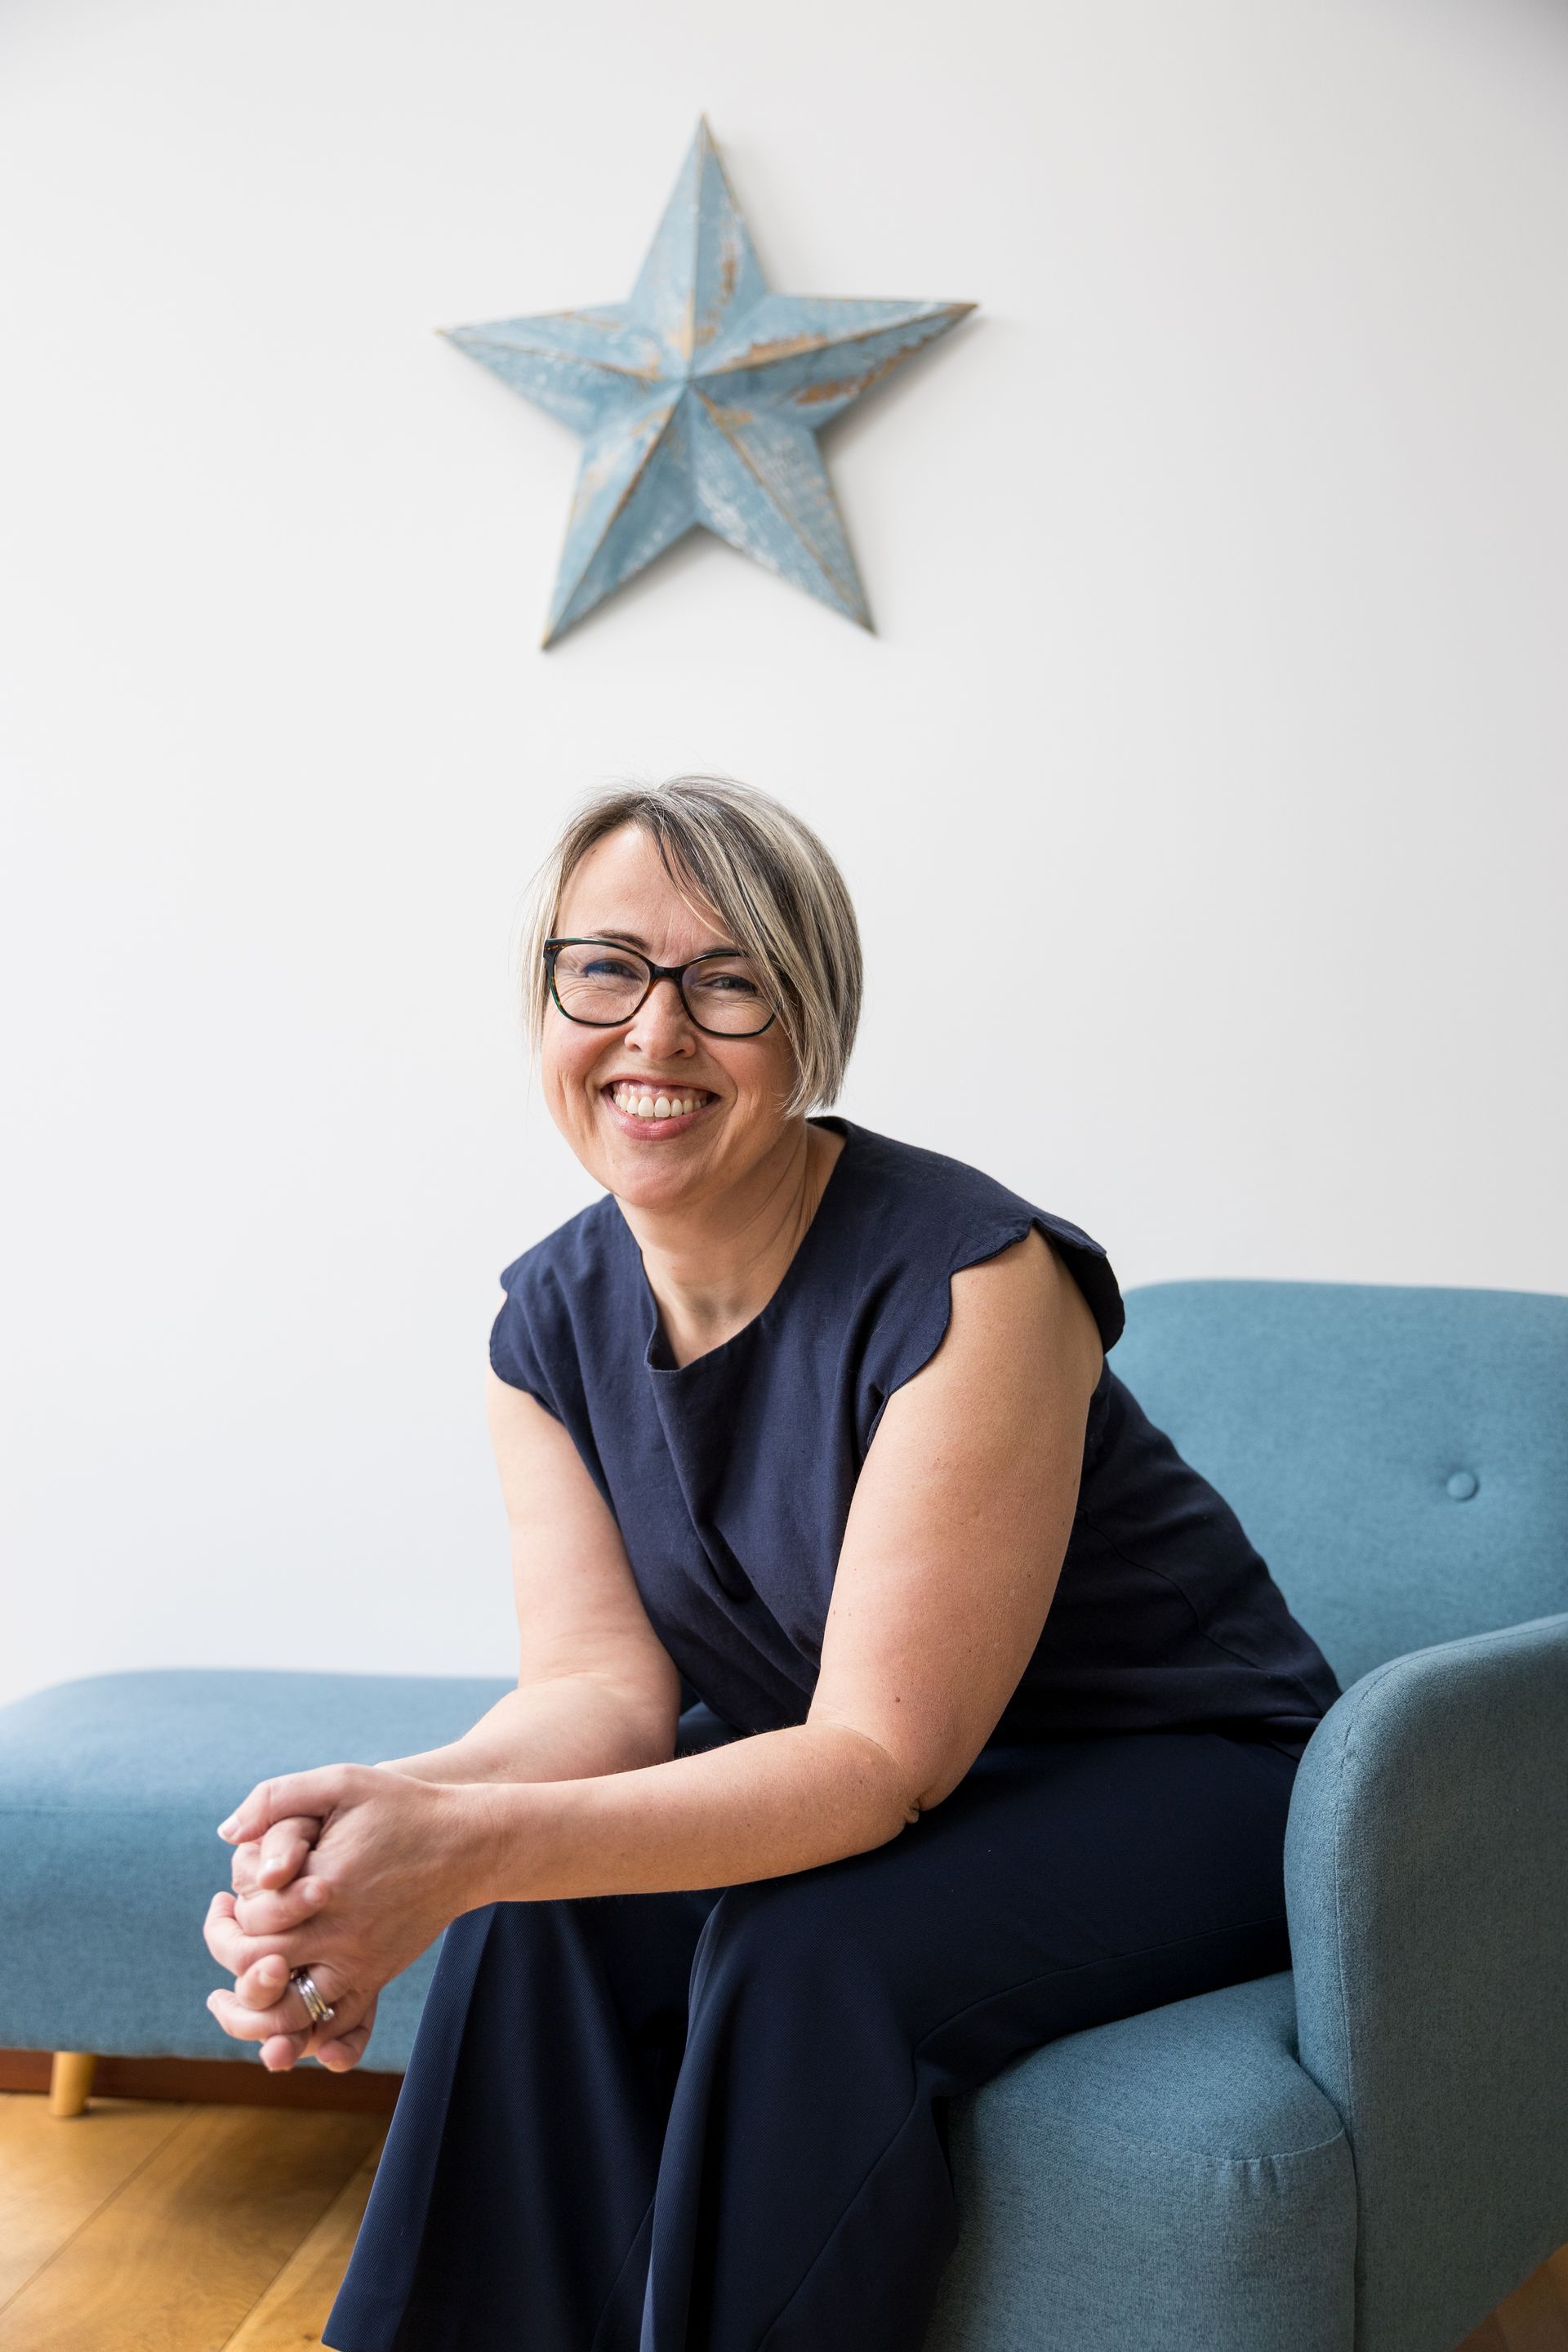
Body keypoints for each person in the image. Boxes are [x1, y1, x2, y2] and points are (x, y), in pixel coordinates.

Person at [202, 774, 1341, 2352]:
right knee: (545, 1908)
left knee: (803, 1953)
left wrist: (464, 1850)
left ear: (809, 1025)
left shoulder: (979, 1279)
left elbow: (877, 1757)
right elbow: (600, 1697)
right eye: (606, 970)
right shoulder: (545, 1324)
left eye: (726, 983)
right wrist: (381, 1824)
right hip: (905, 1784)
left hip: (1187, 1776)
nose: (654, 1033)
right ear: (547, 999)